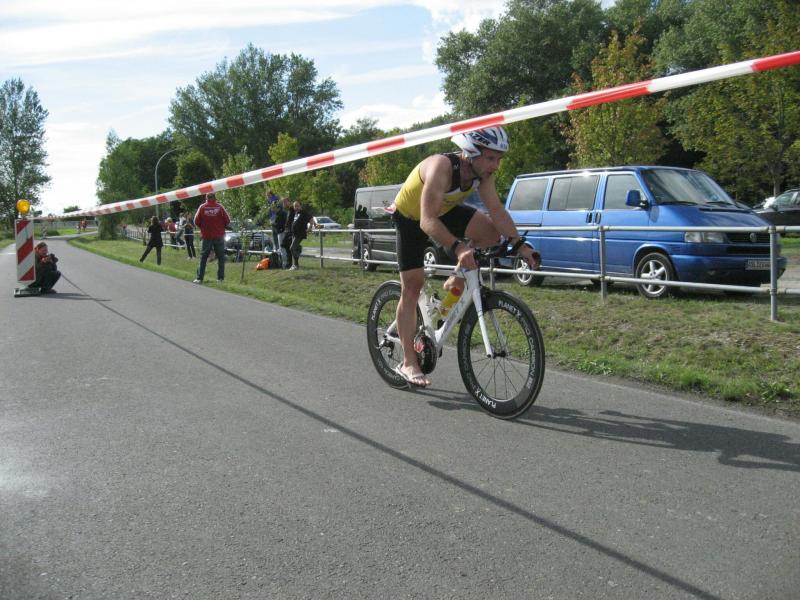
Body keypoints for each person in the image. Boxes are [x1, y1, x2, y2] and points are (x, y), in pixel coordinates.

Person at [391, 126, 541, 387]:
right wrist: (459, 248)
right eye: (491, 158)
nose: (495, 165)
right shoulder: (441, 167)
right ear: (471, 152)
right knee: (412, 288)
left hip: (443, 211)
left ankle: (456, 280)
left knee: (491, 234)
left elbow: (496, 210)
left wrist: (520, 246)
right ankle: (408, 362)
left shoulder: (482, 175)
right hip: (411, 218)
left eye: (499, 159)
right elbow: (427, 220)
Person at [193, 192, 230, 283]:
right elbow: (228, 220)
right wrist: (220, 226)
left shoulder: (202, 207)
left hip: (206, 236)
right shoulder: (220, 207)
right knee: (220, 258)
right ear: (215, 198)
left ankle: (199, 278)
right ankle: (220, 279)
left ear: (206, 198)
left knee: (203, 258)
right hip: (219, 236)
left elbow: (196, 221)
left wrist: (203, 227)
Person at [286, 199, 313, 271]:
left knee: (292, 248)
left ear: (301, 206)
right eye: (295, 206)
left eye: (297, 206)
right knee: (294, 249)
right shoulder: (296, 213)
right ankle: (295, 265)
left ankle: (296, 265)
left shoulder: (304, 212)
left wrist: (310, 228)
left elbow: (311, 218)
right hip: (294, 233)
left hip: (300, 233)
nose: (296, 207)